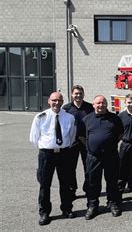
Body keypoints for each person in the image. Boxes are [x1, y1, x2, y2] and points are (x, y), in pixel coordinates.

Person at [30, 92, 76, 225]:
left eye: (59, 100)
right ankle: (44, 213)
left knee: (65, 183)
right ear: (49, 101)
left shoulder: (69, 117)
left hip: (64, 154)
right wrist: (47, 148)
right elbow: (34, 138)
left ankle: (67, 209)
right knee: (45, 184)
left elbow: (71, 137)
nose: (56, 103)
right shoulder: (40, 117)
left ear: (62, 102)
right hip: (47, 154)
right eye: (54, 100)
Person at [80, 95, 124, 220]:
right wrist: (92, 146)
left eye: (103, 103)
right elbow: (82, 137)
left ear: (106, 105)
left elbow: (120, 135)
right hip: (93, 157)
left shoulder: (115, 119)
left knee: (112, 180)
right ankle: (93, 205)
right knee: (93, 182)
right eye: (98, 103)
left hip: (111, 156)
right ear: (93, 105)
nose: (101, 105)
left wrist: (108, 143)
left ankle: (113, 203)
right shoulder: (87, 119)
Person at [62, 85, 94, 198]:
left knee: (88, 166)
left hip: (87, 142)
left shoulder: (90, 107)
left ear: (83, 94)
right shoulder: (66, 109)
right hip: (72, 142)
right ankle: (72, 189)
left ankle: (88, 188)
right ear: (72, 94)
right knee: (70, 168)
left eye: (80, 93)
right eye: (76, 93)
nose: (78, 95)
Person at [117, 94, 132, 198]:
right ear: (125, 103)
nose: (131, 104)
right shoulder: (121, 116)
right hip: (125, 145)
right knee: (122, 168)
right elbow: (117, 132)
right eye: (129, 102)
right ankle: (119, 190)